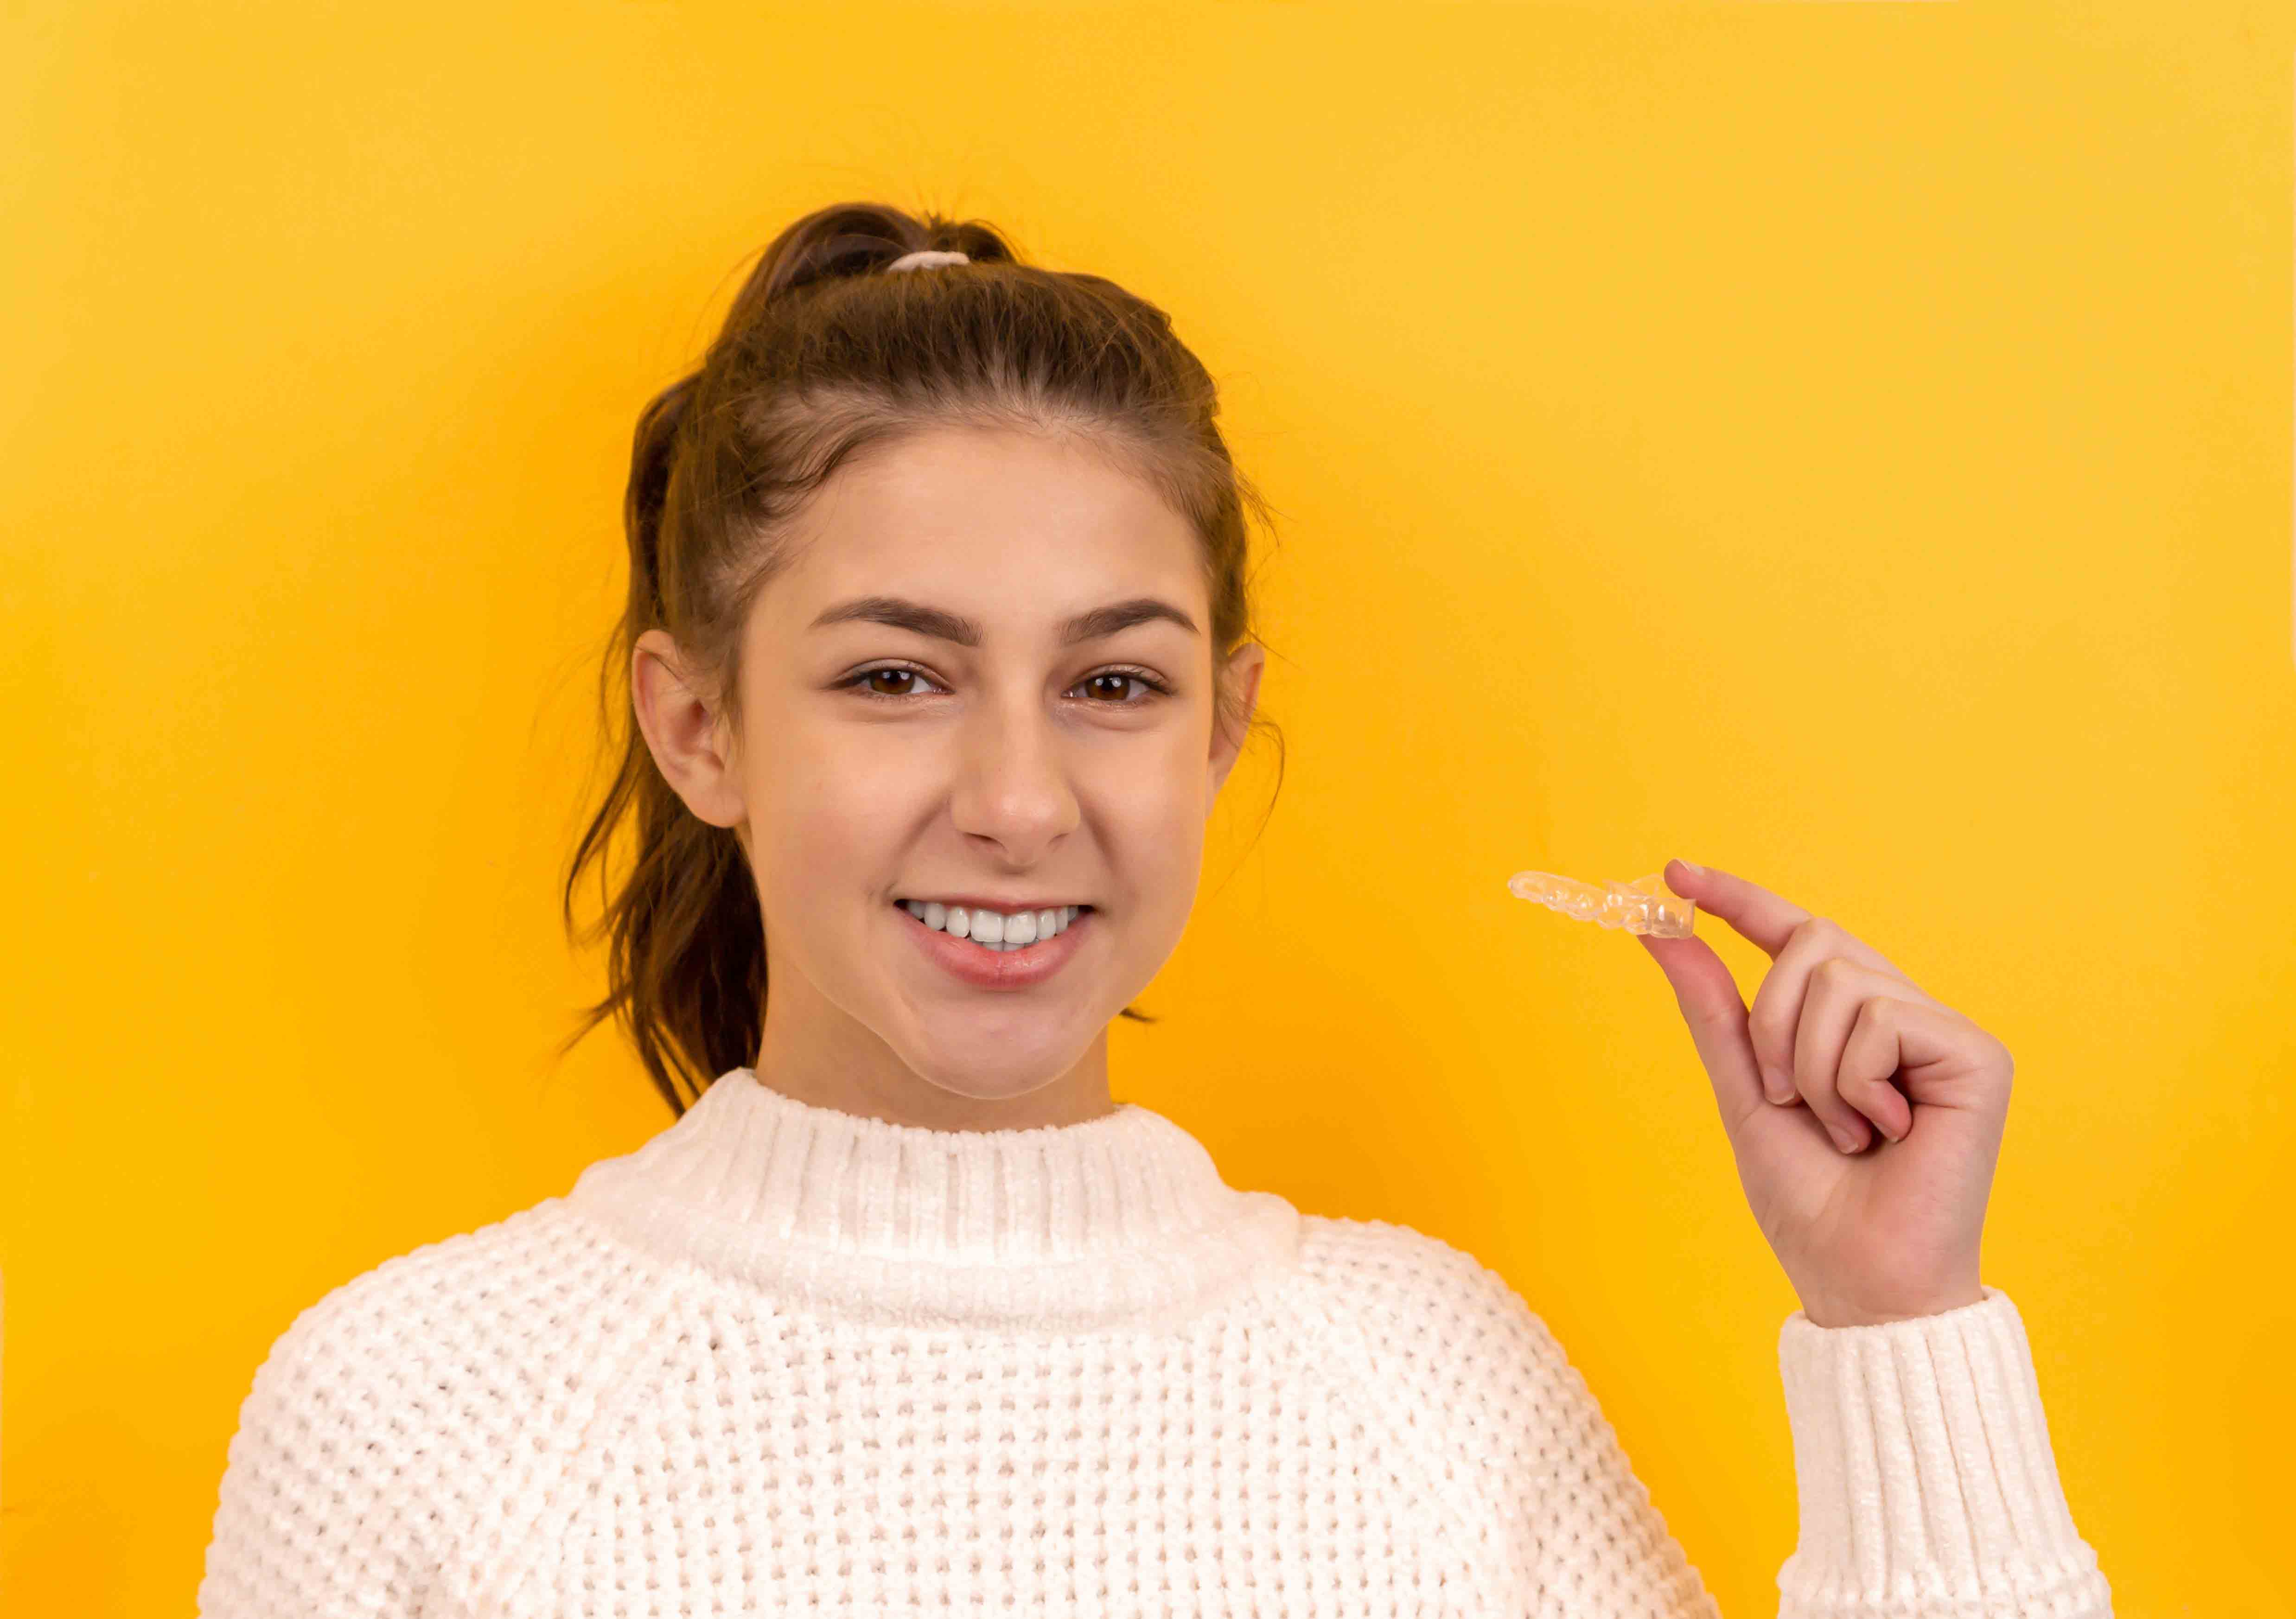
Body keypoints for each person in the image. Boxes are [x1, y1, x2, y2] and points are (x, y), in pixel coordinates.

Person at [196, 202, 2114, 1617]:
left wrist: (1899, 1327)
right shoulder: (414, 1413)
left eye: (1112, 683)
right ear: (699, 727)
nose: (1019, 801)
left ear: (1219, 728)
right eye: (894, 677)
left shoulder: (1434, 1388)